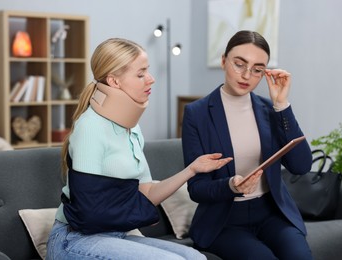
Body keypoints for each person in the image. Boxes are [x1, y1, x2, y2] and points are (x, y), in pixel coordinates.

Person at [46, 38, 232, 260]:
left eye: (148, 72)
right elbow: (89, 212)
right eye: (141, 73)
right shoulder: (90, 127)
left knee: (196, 258)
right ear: (114, 81)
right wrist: (139, 214)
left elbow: (147, 193)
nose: (151, 79)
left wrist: (191, 169)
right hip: (74, 239)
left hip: (113, 235)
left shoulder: (131, 128)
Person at [182, 30, 313, 260]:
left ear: (265, 73)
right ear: (224, 61)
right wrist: (231, 186)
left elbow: (301, 166)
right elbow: (196, 188)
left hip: (272, 214)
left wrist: (281, 105)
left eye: (257, 69)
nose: (246, 75)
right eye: (239, 64)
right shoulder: (197, 114)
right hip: (225, 221)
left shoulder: (269, 110)